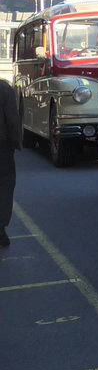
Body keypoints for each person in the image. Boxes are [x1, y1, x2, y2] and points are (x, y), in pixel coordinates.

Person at [0, 77, 20, 249]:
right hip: (2, 148)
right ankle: (0, 229)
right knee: (5, 186)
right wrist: (16, 142)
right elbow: (12, 119)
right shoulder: (4, 89)